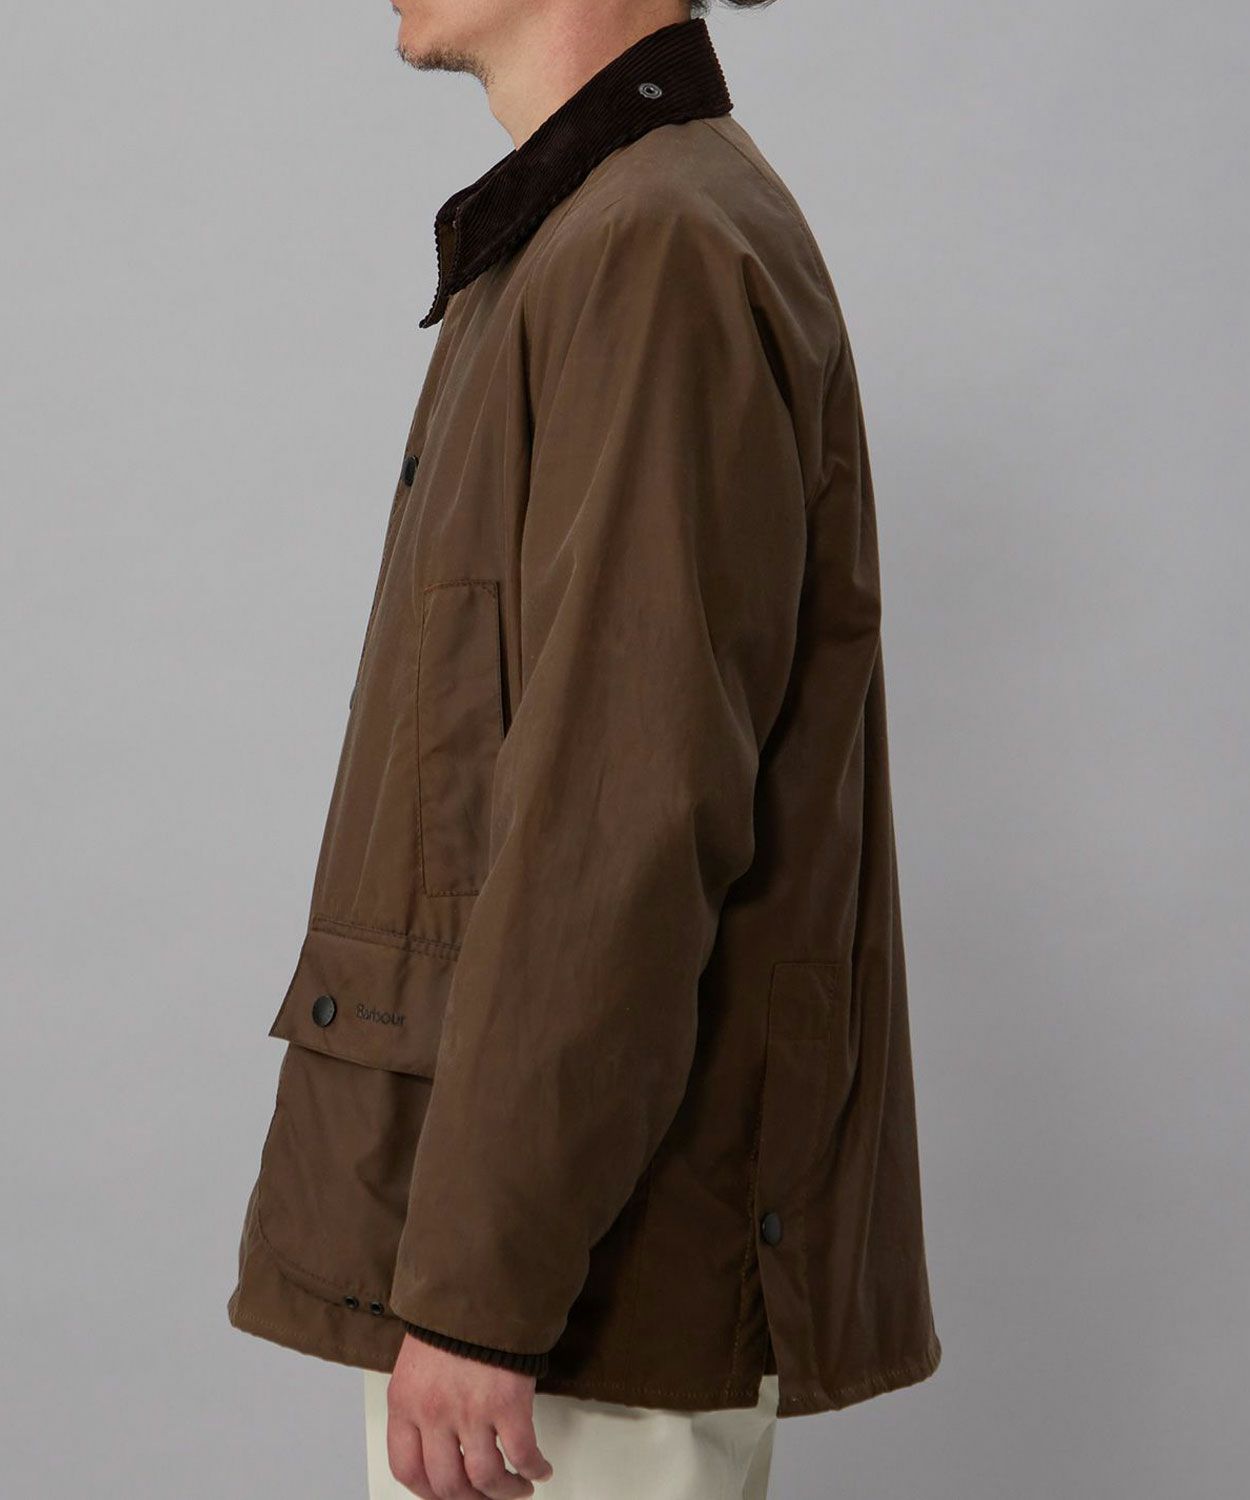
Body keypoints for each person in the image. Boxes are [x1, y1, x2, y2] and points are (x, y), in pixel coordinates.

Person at [226, 3, 942, 1496]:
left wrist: (481, 1295)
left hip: (582, 1303)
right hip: (549, 1272)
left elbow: (620, 823)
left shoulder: (653, 245)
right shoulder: (588, 230)